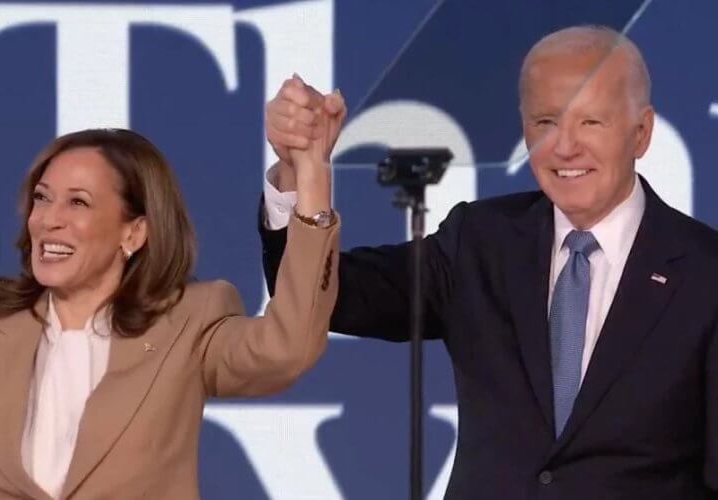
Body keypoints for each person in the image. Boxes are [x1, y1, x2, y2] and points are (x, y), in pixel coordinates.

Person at [260, 26, 718, 498]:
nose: (565, 147)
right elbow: (326, 297)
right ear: (524, 129)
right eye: (546, 122)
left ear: (640, 132)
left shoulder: (706, 273)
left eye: (591, 122)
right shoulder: (480, 242)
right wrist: (303, 172)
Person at [0, 127, 339, 499]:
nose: (48, 220)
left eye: (78, 203)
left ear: (134, 232)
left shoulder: (189, 324)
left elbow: (287, 348)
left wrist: (311, 181)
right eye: (42, 198)